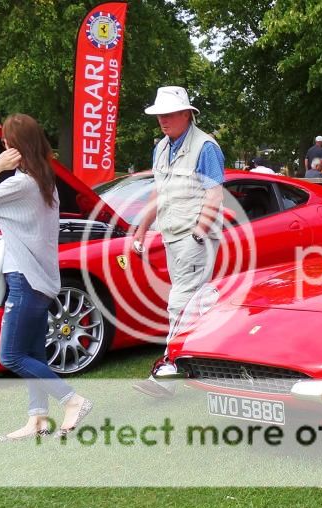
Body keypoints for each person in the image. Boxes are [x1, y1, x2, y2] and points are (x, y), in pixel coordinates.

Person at [0, 114, 93, 440]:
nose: (2, 145)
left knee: (11, 355)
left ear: (14, 146)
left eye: (5, 141)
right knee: (32, 354)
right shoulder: (44, 181)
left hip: (24, 280)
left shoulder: (21, 184)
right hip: (39, 280)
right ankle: (38, 419)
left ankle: (72, 400)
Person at [132, 86, 226, 397]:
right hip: (172, 235)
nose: (163, 119)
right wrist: (142, 227)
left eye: (169, 113)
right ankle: (212, 360)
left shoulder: (206, 147)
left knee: (179, 302)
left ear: (187, 114)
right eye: (160, 114)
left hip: (194, 238)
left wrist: (199, 231)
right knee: (197, 302)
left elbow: (214, 195)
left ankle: (167, 372)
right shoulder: (161, 148)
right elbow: (158, 193)